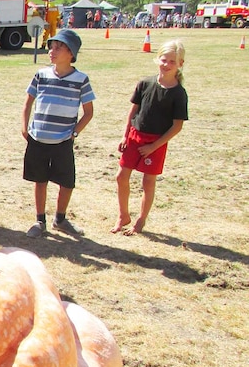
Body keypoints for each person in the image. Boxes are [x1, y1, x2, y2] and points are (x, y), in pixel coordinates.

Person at [21, 29, 94, 238]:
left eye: (58, 47)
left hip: (63, 140)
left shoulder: (81, 79)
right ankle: (40, 220)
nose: (52, 51)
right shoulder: (41, 75)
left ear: (71, 53)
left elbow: (89, 113)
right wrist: (24, 127)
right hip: (38, 138)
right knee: (40, 179)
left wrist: (74, 133)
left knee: (66, 181)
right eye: (51, 47)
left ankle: (60, 219)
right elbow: (28, 102)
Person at [111, 40, 188, 236]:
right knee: (121, 176)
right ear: (157, 59)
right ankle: (123, 215)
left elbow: (177, 126)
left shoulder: (178, 93)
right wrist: (125, 135)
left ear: (180, 64)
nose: (166, 64)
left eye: (172, 61)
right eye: (164, 60)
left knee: (148, 182)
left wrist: (154, 146)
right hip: (135, 136)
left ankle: (140, 220)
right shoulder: (145, 83)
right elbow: (133, 110)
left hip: (156, 142)